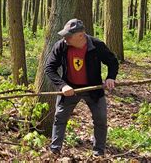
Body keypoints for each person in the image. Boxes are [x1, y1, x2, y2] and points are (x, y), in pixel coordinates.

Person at [45, 18, 119, 157]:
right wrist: (62, 86)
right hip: (69, 89)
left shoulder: (97, 45)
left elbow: (112, 61)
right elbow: (49, 68)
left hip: (93, 89)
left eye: (68, 36)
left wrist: (111, 77)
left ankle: (98, 153)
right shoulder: (61, 46)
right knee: (59, 118)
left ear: (80, 35)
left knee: (101, 119)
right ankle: (54, 151)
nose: (65, 39)